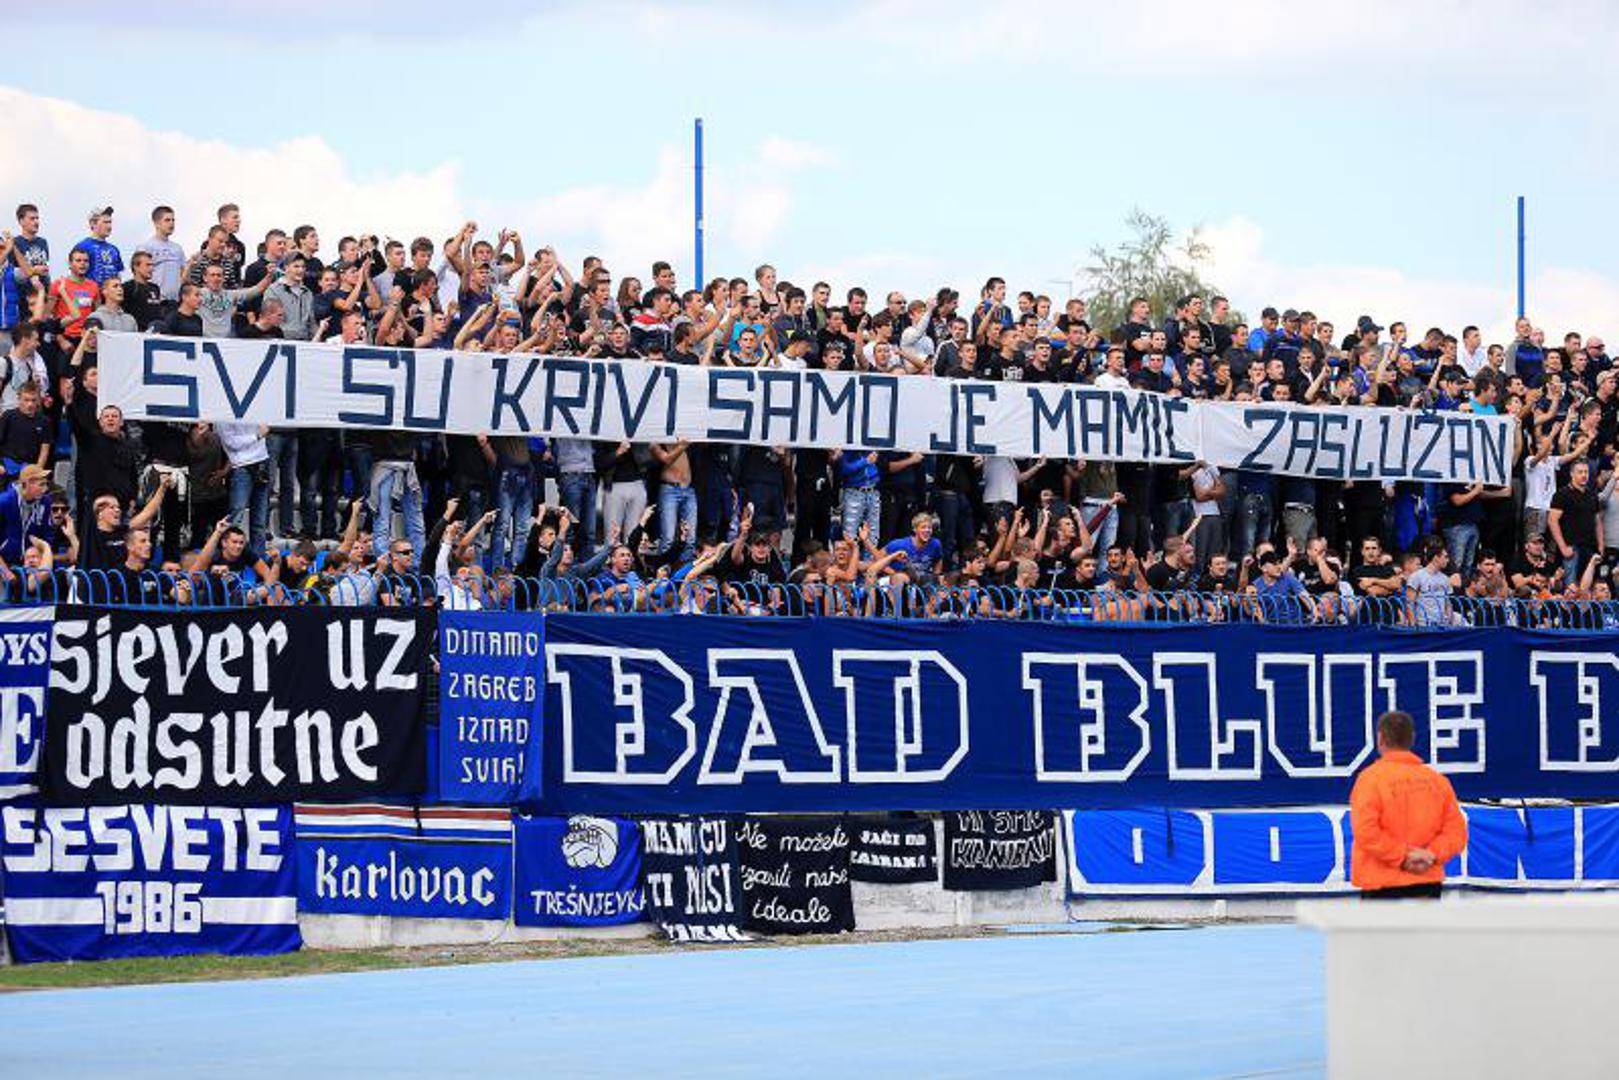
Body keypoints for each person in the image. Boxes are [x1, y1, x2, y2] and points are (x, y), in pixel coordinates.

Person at [1349, 710, 1468, 899]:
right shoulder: (1437, 781)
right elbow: (1456, 832)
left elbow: (1366, 831)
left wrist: (1403, 857)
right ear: (1411, 739)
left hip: (1381, 883)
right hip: (1426, 882)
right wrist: (1430, 855)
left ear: (1380, 738)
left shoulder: (1370, 780)